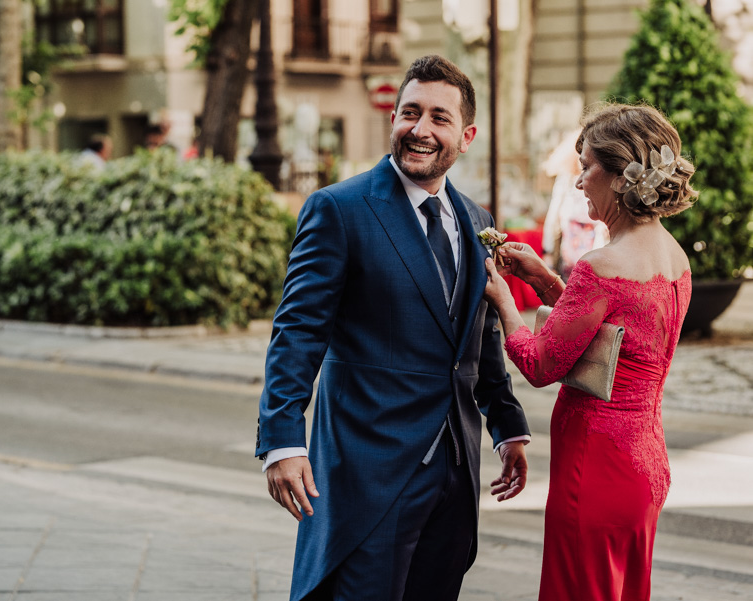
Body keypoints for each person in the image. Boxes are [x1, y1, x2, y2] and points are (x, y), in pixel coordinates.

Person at [255, 55, 531, 601]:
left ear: (467, 135)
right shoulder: (339, 209)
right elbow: (298, 330)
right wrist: (283, 438)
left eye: (438, 117)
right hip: (369, 473)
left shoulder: (479, 222)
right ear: (393, 120)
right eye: (410, 112)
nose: (420, 129)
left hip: (455, 472)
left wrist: (507, 425)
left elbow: (478, 339)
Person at [482, 103, 697, 601]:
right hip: (645, 464)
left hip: (595, 468)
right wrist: (543, 280)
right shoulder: (674, 256)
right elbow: (618, 331)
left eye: (586, 167)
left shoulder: (601, 265)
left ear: (622, 175)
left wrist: (503, 305)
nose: (578, 182)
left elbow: (540, 364)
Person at [541, 129, 609, 281]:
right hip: (568, 260)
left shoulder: (601, 183)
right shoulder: (566, 182)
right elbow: (553, 218)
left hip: (596, 262)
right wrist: (548, 252)